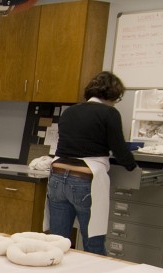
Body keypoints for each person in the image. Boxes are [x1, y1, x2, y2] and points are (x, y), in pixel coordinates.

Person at [47, 71, 137, 255]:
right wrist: (133, 167)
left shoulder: (70, 111)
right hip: (84, 179)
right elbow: (119, 149)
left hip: (57, 175)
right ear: (113, 95)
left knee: (58, 242)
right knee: (93, 243)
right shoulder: (109, 113)